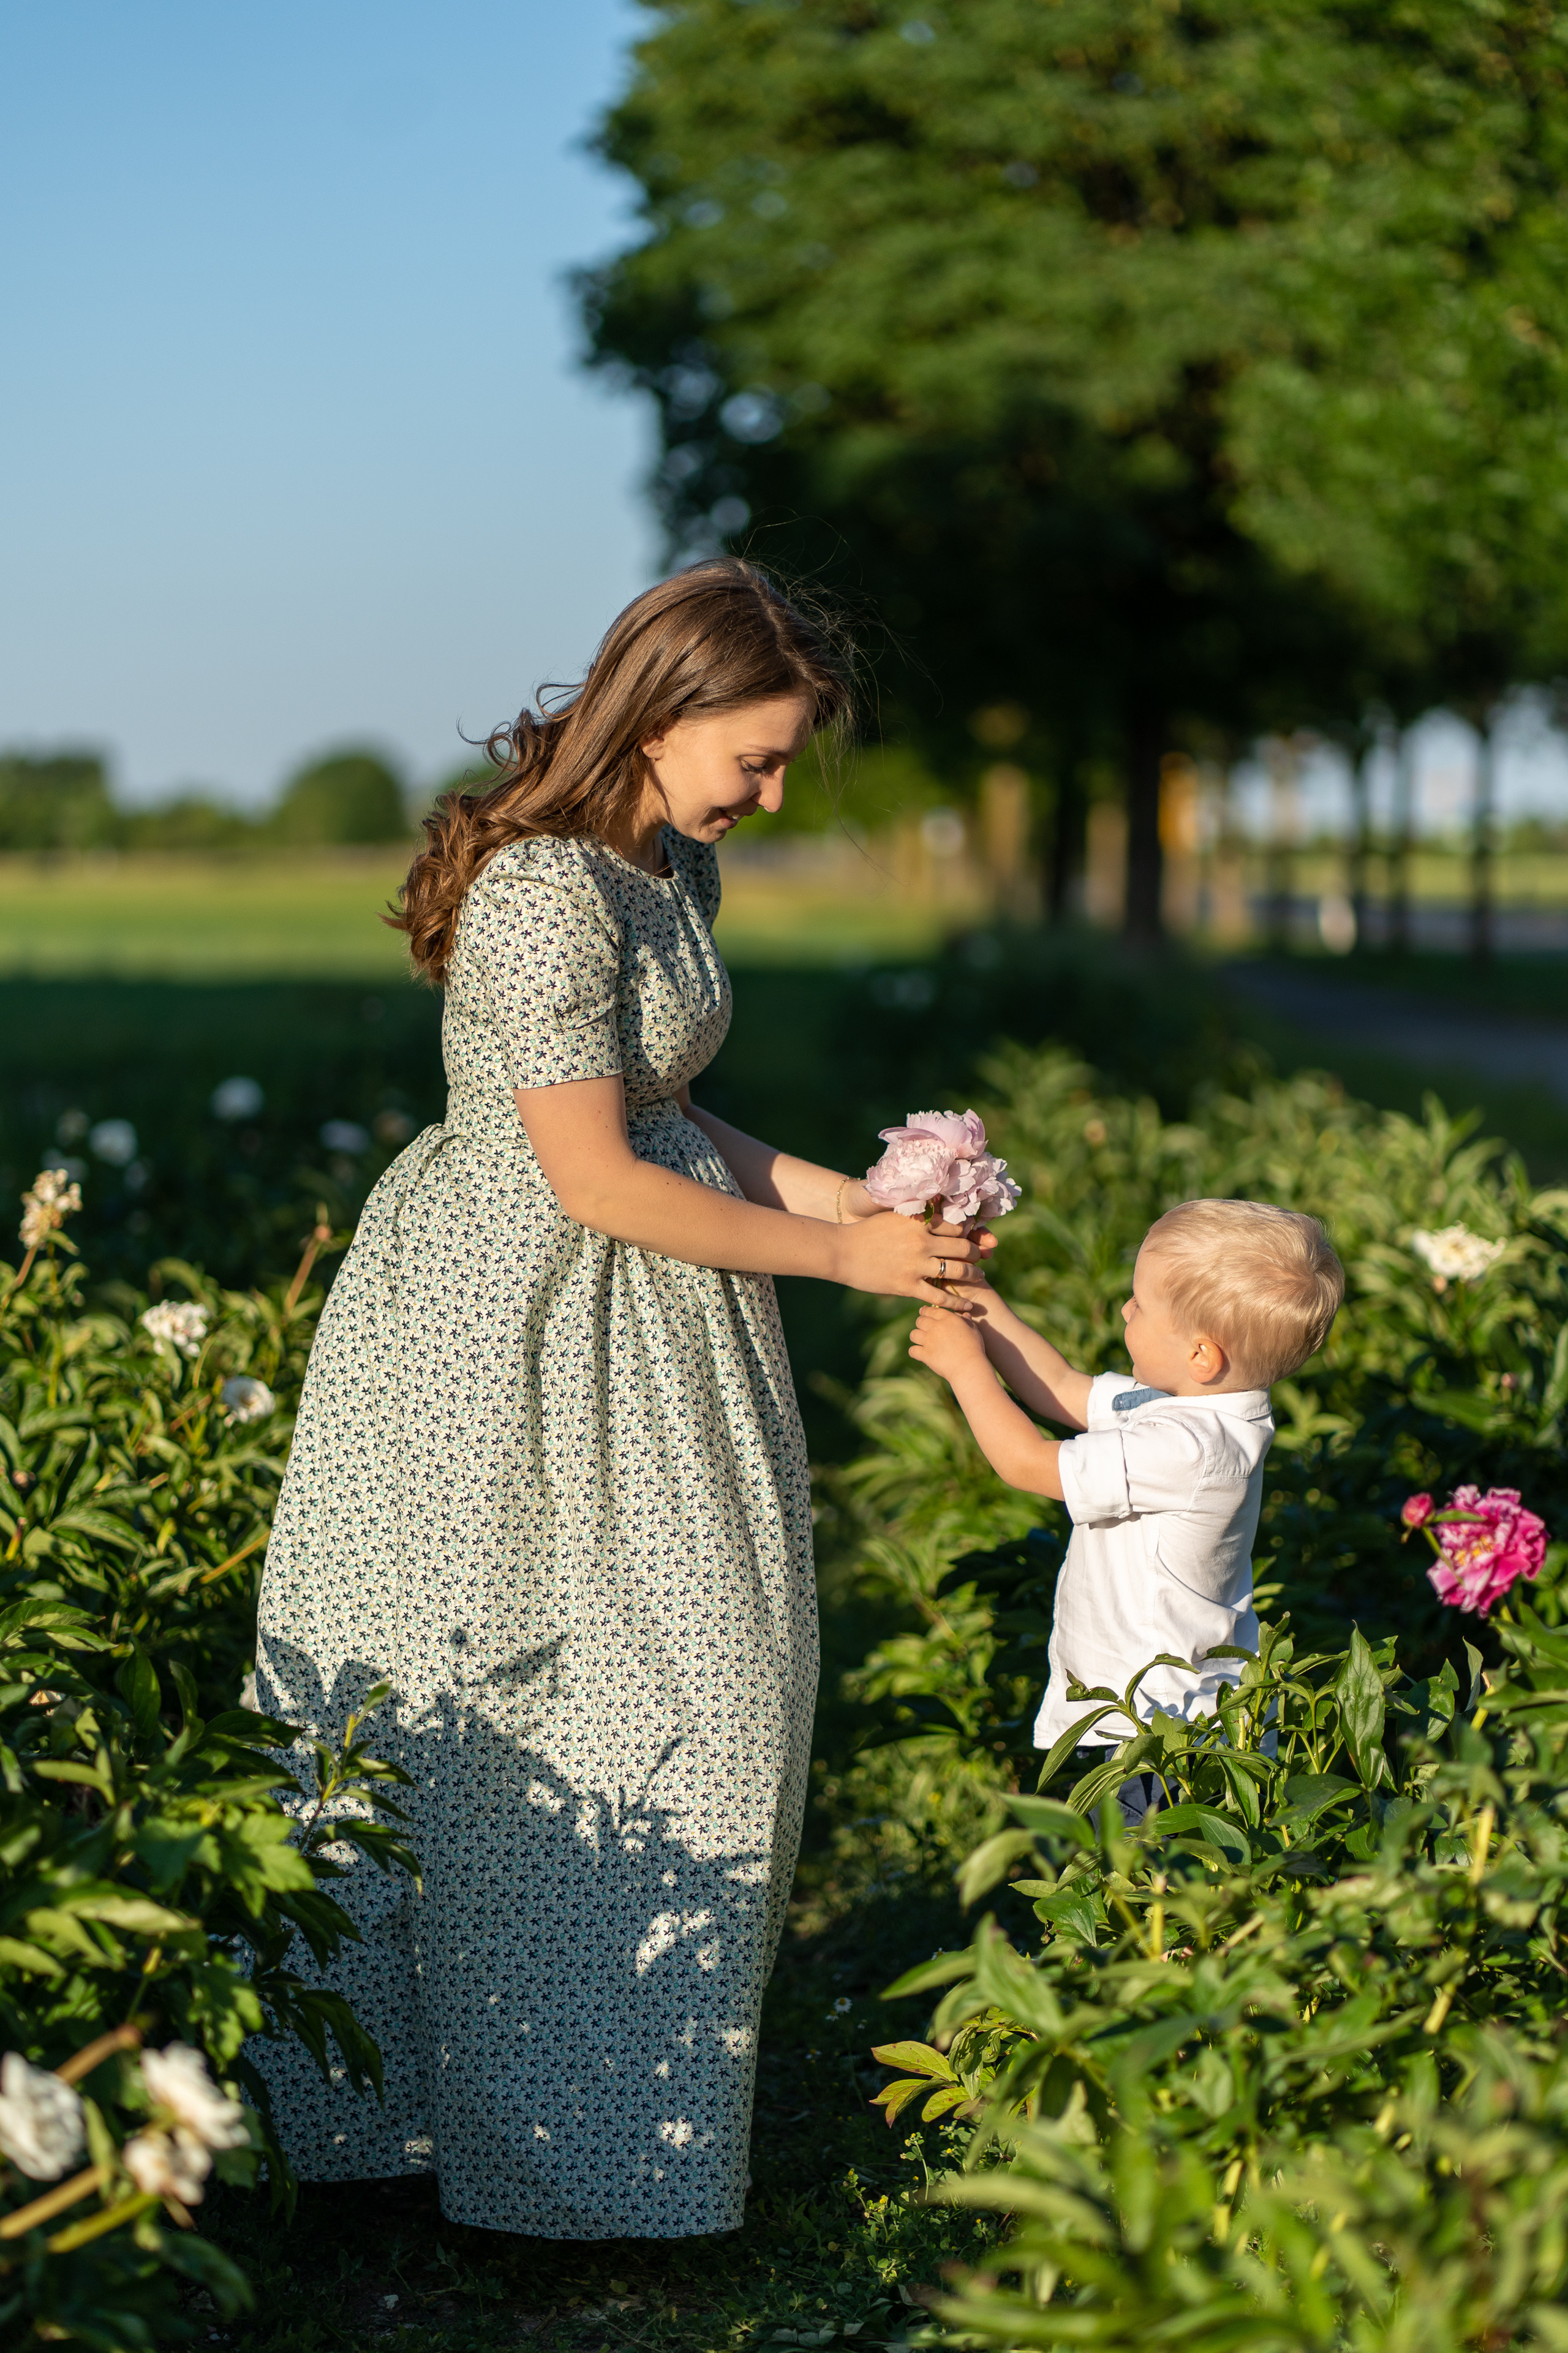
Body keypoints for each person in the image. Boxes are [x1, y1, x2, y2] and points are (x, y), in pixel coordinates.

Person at [250, 559, 990, 2238]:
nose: (775, 789)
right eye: (764, 752)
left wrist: (849, 1207)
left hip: (649, 1319)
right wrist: (838, 1266)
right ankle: (425, 2151)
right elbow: (591, 1174)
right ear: (663, 710)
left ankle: (595, 2159)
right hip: (501, 1324)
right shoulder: (540, 892)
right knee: (507, 1697)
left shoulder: (673, 868)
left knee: (704, 1693)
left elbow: (670, 1113)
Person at [908, 1197, 1344, 1821]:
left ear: (1202, 1354)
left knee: (1147, 1881)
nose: (1124, 1309)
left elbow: (1026, 1462)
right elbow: (1060, 1387)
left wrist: (964, 1367)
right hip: (1153, 1718)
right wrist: (976, 1296)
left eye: (1139, 1304)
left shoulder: (1191, 1449)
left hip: (1162, 1734)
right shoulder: (1190, 1410)